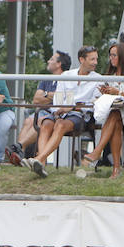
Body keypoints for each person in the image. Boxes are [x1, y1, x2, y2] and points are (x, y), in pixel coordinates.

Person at [25, 46, 100, 178]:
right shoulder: (66, 75)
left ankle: (39, 159)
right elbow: (58, 98)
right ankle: (41, 163)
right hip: (61, 112)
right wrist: (57, 111)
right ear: (81, 60)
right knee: (46, 123)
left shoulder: (97, 79)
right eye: (92, 59)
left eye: (96, 59)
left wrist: (70, 108)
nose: (95, 62)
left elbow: (93, 104)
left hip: (79, 114)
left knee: (60, 125)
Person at [81, 42, 124, 178]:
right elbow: (112, 98)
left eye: (114, 55)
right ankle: (115, 167)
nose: (111, 58)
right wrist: (106, 92)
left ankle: (99, 153)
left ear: (122, 56)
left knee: (115, 116)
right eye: (110, 55)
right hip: (116, 110)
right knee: (115, 118)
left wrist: (118, 92)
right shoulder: (112, 73)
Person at [5, 51, 68, 165]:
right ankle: (19, 154)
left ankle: (18, 147)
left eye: (52, 59)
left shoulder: (67, 79)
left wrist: (45, 95)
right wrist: (51, 95)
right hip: (43, 111)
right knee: (28, 120)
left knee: (38, 121)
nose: (48, 61)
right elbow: (36, 100)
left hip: (55, 115)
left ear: (59, 64)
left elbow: (62, 98)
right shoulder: (46, 79)